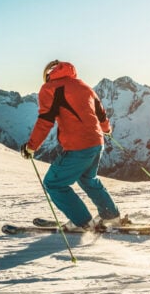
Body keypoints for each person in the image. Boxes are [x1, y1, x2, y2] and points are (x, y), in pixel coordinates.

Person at [20, 60, 122, 232]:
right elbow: (101, 114)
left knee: (53, 183)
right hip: (97, 143)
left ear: (48, 74)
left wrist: (31, 147)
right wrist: (106, 130)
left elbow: (45, 120)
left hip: (78, 146)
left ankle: (82, 222)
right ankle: (111, 216)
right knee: (87, 179)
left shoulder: (50, 89)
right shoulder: (85, 87)